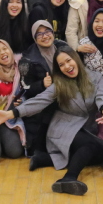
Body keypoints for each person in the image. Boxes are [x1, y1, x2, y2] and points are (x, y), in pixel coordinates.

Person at [0, 45, 103, 196]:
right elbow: (38, 101)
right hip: (63, 127)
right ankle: (68, 178)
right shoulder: (59, 84)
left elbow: (102, 96)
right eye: (61, 65)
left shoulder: (95, 77)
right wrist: (11, 113)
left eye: (68, 60)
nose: (67, 66)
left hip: (85, 128)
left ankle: (45, 159)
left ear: (76, 59)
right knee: (91, 147)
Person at [19, 21, 68, 158]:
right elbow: (24, 87)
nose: (45, 36)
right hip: (42, 105)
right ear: (34, 38)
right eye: (39, 34)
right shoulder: (27, 58)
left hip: (65, 96)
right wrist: (41, 84)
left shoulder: (63, 46)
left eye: (47, 32)